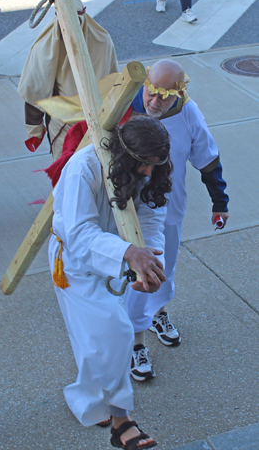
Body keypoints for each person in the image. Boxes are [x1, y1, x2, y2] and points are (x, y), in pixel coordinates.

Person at [49, 115, 171, 449]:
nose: (148, 173)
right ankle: (122, 422)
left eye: (155, 166)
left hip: (118, 261)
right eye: (144, 166)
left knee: (95, 341)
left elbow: (150, 213)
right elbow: (78, 233)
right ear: (125, 156)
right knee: (114, 334)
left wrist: (147, 260)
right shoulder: (83, 168)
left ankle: (89, 400)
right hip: (74, 264)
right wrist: (129, 253)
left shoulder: (146, 170)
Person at [123, 59, 229, 380]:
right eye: (150, 92)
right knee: (132, 279)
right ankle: (133, 342)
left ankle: (156, 314)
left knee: (162, 270)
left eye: (164, 96)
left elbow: (208, 160)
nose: (154, 102)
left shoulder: (189, 114)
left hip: (168, 210)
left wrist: (219, 201)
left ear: (180, 92)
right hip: (127, 211)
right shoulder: (124, 108)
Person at [18, 0, 118, 160]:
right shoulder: (45, 48)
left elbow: (113, 84)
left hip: (99, 124)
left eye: (76, 23)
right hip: (64, 127)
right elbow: (36, 92)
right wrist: (34, 129)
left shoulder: (102, 41)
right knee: (65, 174)